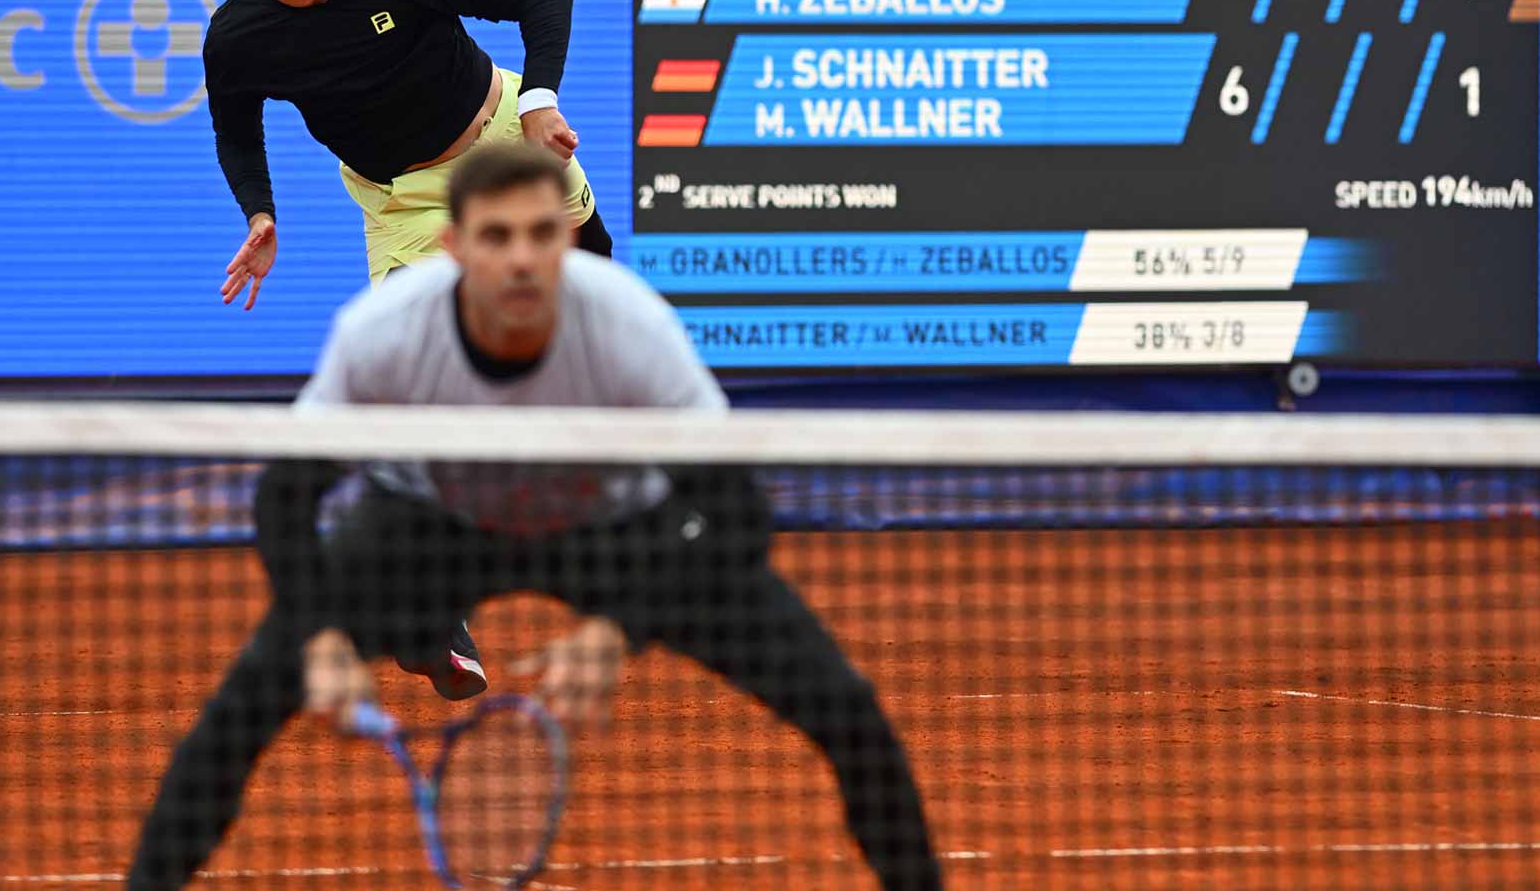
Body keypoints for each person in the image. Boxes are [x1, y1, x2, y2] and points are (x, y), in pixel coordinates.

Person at [124, 145, 944, 891]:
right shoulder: (385, 334)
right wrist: (320, 640)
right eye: (497, 237)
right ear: (453, 246)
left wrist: (619, 628)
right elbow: (286, 496)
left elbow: (737, 512)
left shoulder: (629, 328)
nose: (521, 259)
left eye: (541, 235)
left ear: (567, 239)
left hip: (616, 533)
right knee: (234, 720)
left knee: (847, 708)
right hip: (429, 527)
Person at [206, 0, 612, 314]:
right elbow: (238, 136)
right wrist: (259, 213)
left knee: (592, 298)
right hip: (402, 202)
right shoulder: (237, 37)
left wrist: (539, 102)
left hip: (506, 143)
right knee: (418, 343)